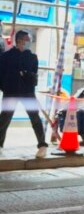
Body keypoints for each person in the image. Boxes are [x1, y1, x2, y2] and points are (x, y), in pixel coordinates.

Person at [0, 30, 48, 158]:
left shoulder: (32, 57)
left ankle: (42, 145)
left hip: (27, 92)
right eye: (27, 40)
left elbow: (34, 76)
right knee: (4, 119)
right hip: (11, 91)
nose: (29, 42)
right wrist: (4, 88)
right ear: (20, 40)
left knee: (35, 118)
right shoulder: (6, 57)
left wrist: (28, 76)